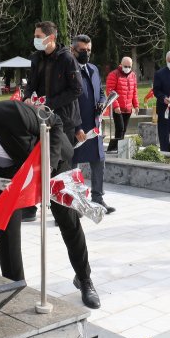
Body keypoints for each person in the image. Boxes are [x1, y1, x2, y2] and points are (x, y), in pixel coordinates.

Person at [0, 101, 101, 309]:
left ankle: (84, 278)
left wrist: (47, 169)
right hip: (5, 178)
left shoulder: (13, 114)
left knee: (67, 220)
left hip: (45, 160)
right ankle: (15, 288)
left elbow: (55, 122)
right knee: (6, 230)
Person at [22, 21, 83, 222]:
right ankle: (31, 206)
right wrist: (28, 97)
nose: (36, 40)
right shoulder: (36, 58)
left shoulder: (67, 59)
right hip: (39, 119)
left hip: (63, 120)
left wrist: (49, 103)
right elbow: (31, 83)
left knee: (61, 164)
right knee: (36, 162)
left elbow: (76, 90)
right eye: (35, 36)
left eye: (39, 37)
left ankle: (63, 210)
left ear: (51, 38)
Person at [71, 35, 114, 214]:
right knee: (72, 166)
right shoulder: (68, 70)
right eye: (82, 50)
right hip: (76, 127)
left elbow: (101, 91)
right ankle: (73, 204)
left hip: (94, 126)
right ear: (73, 50)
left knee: (99, 161)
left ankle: (97, 197)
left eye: (89, 50)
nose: (86, 53)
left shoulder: (94, 69)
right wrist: (76, 127)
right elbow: (68, 102)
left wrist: (102, 102)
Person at [105, 56, 139, 152]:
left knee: (123, 130)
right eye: (125, 66)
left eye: (129, 66)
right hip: (118, 108)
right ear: (121, 64)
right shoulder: (114, 74)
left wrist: (136, 105)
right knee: (120, 128)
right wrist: (115, 105)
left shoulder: (133, 75)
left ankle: (119, 148)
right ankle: (113, 148)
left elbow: (134, 92)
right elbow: (110, 91)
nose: (127, 68)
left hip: (128, 108)